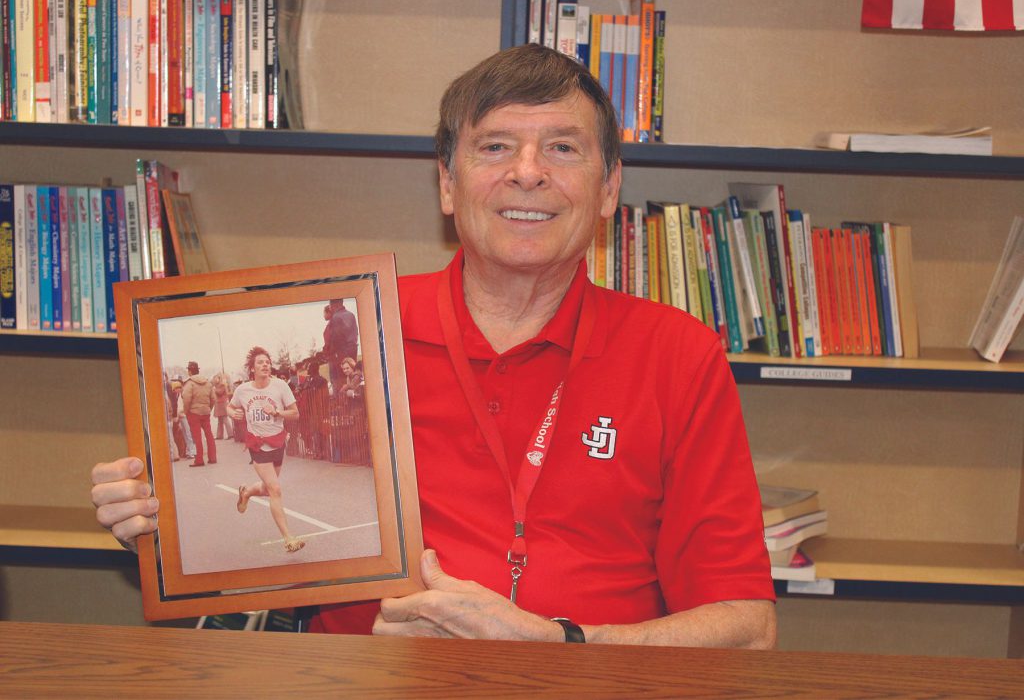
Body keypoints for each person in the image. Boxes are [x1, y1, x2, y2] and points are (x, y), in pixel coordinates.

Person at [91, 44, 775, 647]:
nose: (528, 173)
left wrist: (560, 642)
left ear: (609, 189)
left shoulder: (677, 354)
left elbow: (746, 629)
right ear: (447, 184)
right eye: (495, 146)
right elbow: (248, 561)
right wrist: (165, 530)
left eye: (563, 147)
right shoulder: (367, 328)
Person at [229, 346, 305, 553]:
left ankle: (246, 492)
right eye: (260, 362)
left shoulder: (280, 386)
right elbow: (230, 406)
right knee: (275, 489)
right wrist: (232, 414)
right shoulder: (243, 390)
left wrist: (277, 412)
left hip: (277, 442)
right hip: (257, 444)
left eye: (267, 362)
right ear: (252, 368)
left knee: (266, 488)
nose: (265, 365)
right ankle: (289, 539)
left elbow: (295, 414)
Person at [181, 361, 217, 467]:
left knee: (197, 437)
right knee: (209, 435)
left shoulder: (189, 383)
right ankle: (212, 457)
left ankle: (199, 460)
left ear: (190, 371)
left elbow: (186, 399)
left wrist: (186, 411)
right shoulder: (208, 383)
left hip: (194, 412)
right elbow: (213, 399)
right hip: (205, 412)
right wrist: (208, 408)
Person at [322, 299, 358, 393]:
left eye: (330, 304)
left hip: (340, 354)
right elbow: (355, 333)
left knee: (339, 382)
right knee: (353, 377)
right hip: (353, 350)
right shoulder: (351, 315)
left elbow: (336, 339)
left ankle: (342, 402)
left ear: (333, 304)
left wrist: (328, 353)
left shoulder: (336, 317)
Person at [212, 374, 233, 440]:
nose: (215, 379)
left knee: (225, 419)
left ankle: (230, 434)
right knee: (220, 420)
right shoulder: (217, 385)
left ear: (219, 378)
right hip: (219, 404)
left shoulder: (222, 385)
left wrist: (214, 389)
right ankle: (219, 435)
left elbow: (220, 393)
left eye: (216, 378)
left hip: (222, 403)